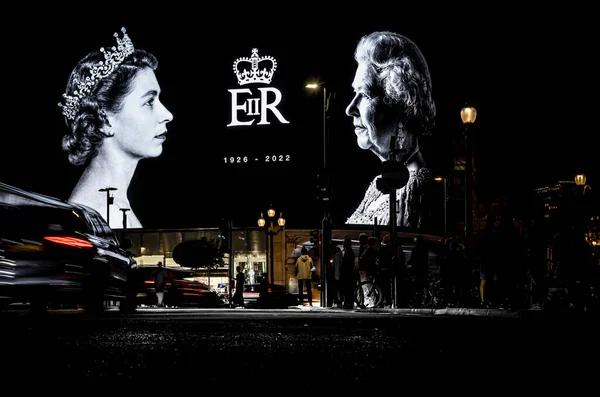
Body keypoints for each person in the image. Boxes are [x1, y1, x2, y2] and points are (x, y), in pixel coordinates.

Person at [58, 27, 174, 229]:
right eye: (149, 102)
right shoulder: (101, 214)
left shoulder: (113, 204)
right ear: (105, 120)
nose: (167, 115)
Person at [345, 31, 436, 228]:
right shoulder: (380, 184)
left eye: (366, 94)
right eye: (355, 93)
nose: (350, 109)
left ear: (400, 104)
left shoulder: (415, 187)